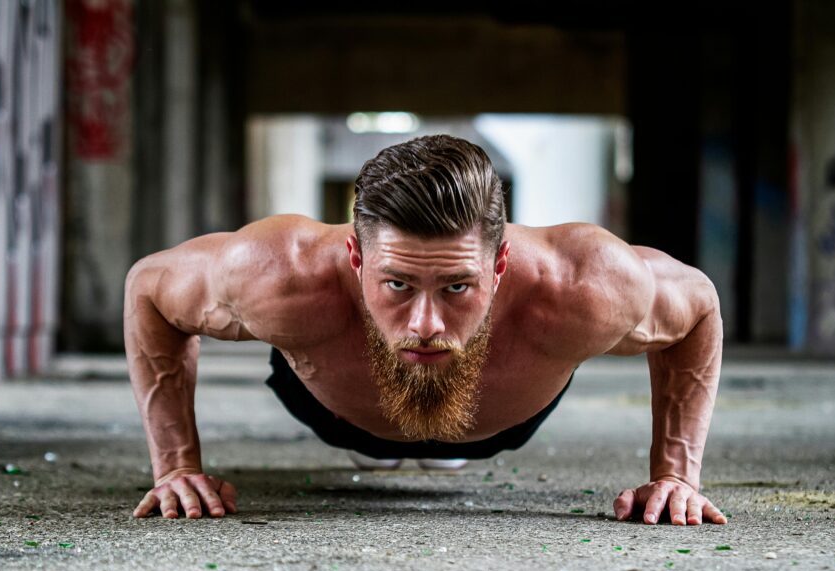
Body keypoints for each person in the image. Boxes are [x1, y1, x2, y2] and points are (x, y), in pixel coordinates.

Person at [123, 134, 727, 526]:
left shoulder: (585, 283)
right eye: (398, 285)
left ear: (499, 263)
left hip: (495, 424)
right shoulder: (280, 273)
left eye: (457, 288)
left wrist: (675, 474)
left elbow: (697, 307)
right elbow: (150, 287)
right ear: (357, 260)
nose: (426, 324)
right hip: (336, 411)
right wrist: (177, 464)